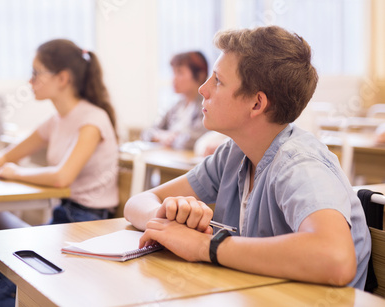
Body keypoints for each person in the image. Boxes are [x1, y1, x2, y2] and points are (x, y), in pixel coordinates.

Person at [125, 26, 371, 289]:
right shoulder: (233, 154)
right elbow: (137, 203)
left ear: (256, 103)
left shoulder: (300, 164)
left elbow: (336, 259)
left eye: (218, 81)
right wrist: (167, 219)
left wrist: (204, 246)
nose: (203, 89)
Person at [0, 39, 119, 223]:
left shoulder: (93, 120)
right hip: (66, 210)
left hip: (88, 219)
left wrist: (17, 173)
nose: (30, 81)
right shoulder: (56, 120)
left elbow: (62, 178)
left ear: (62, 78)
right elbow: (8, 155)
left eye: (36, 73)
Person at [141, 51, 209, 150]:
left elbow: (191, 142)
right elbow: (146, 133)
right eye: (173, 73)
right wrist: (161, 136)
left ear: (200, 75)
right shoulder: (176, 106)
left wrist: (169, 138)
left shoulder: (207, 106)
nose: (174, 79)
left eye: (180, 73)